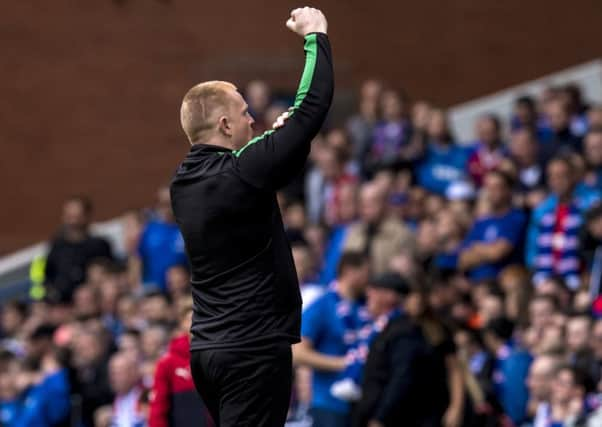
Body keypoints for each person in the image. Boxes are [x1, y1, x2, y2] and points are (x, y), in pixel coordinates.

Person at [169, 8, 333, 427]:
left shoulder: (183, 183)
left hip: (208, 350)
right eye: (244, 113)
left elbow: (258, 170)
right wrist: (315, 35)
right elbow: (311, 108)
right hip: (252, 349)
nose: (251, 119)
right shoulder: (244, 170)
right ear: (224, 124)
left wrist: (276, 144)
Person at [294, 252, 370, 427]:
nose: (369, 278)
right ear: (350, 271)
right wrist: (344, 363)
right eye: (366, 272)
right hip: (328, 402)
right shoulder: (323, 304)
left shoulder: (365, 306)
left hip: (359, 403)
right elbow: (298, 353)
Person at [149, 300, 212, 427]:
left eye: (200, 317)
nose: (195, 323)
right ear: (181, 324)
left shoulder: (214, 357)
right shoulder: (168, 363)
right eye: (190, 319)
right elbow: (158, 411)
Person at [458, 170, 527, 282]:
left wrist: (476, 248)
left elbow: (498, 253)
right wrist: (487, 251)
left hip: (500, 282)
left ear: (508, 190)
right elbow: (463, 260)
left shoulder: (516, 218)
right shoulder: (481, 222)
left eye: (497, 187)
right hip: (474, 283)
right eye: (488, 187)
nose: (492, 192)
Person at [44, 196, 113, 301]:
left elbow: (108, 276)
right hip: (59, 304)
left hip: (90, 302)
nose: (73, 222)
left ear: (86, 217)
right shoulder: (56, 246)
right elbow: (46, 276)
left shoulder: (99, 245)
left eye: (77, 216)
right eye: (69, 216)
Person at [134, 186, 188, 291]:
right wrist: (136, 284)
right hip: (154, 289)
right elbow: (137, 258)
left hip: (181, 288)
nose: (166, 208)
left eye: (169, 203)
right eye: (162, 204)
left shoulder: (185, 229)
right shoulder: (150, 229)